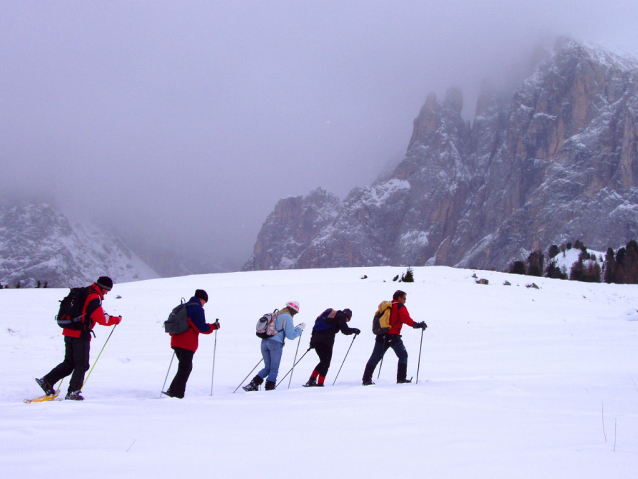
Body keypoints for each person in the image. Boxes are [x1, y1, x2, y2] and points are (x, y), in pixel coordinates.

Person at [36, 276, 122, 401]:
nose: (107, 293)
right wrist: (116, 320)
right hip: (80, 334)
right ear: (103, 288)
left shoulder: (85, 292)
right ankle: (73, 393)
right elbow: (101, 319)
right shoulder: (94, 296)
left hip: (68, 331)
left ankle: (47, 381)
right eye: (107, 290)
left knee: (69, 363)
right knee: (81, 365)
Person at [362, 290, 426, 385]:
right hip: (393, 336)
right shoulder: (400, 306)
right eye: (404, 298)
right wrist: (417, 325)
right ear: (399, 298)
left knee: (375, 357)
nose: (405, 300)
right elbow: (405, 318)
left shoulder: (387, 306)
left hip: (381, 335)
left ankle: (366, 379)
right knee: (403, 355)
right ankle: (401, 378)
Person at [163, 289, 219, 398]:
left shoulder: (185, 306)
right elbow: (201, 327)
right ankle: (177, 393)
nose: (204, 305)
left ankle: (173, 390)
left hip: (176, 341)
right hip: (186, 343)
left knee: (184, 367)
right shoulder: (196, 308)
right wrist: (213, 326)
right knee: (186, 367)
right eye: (204, 302)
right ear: (201, 299)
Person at [243, 301, 305, 391]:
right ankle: (270, 388)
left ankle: (253, 384)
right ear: (293, 310)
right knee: (274, 369)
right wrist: (299, 329)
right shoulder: (287, 317)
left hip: (264, 342)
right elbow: (290, 335)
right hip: (275, 344)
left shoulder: (276, 314)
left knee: (267, 367)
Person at [303, 308, 360, 387]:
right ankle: (320, 383)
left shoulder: (329, 316)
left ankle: (312, 380)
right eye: (347, 320)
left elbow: (315, 328)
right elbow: (345, 330)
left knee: (323, 362)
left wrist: (312, 342)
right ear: (348, 316)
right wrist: (354, 330)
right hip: (326, 341)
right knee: (326, 363)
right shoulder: (341, 316)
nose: (346, 321)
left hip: (316, 341)